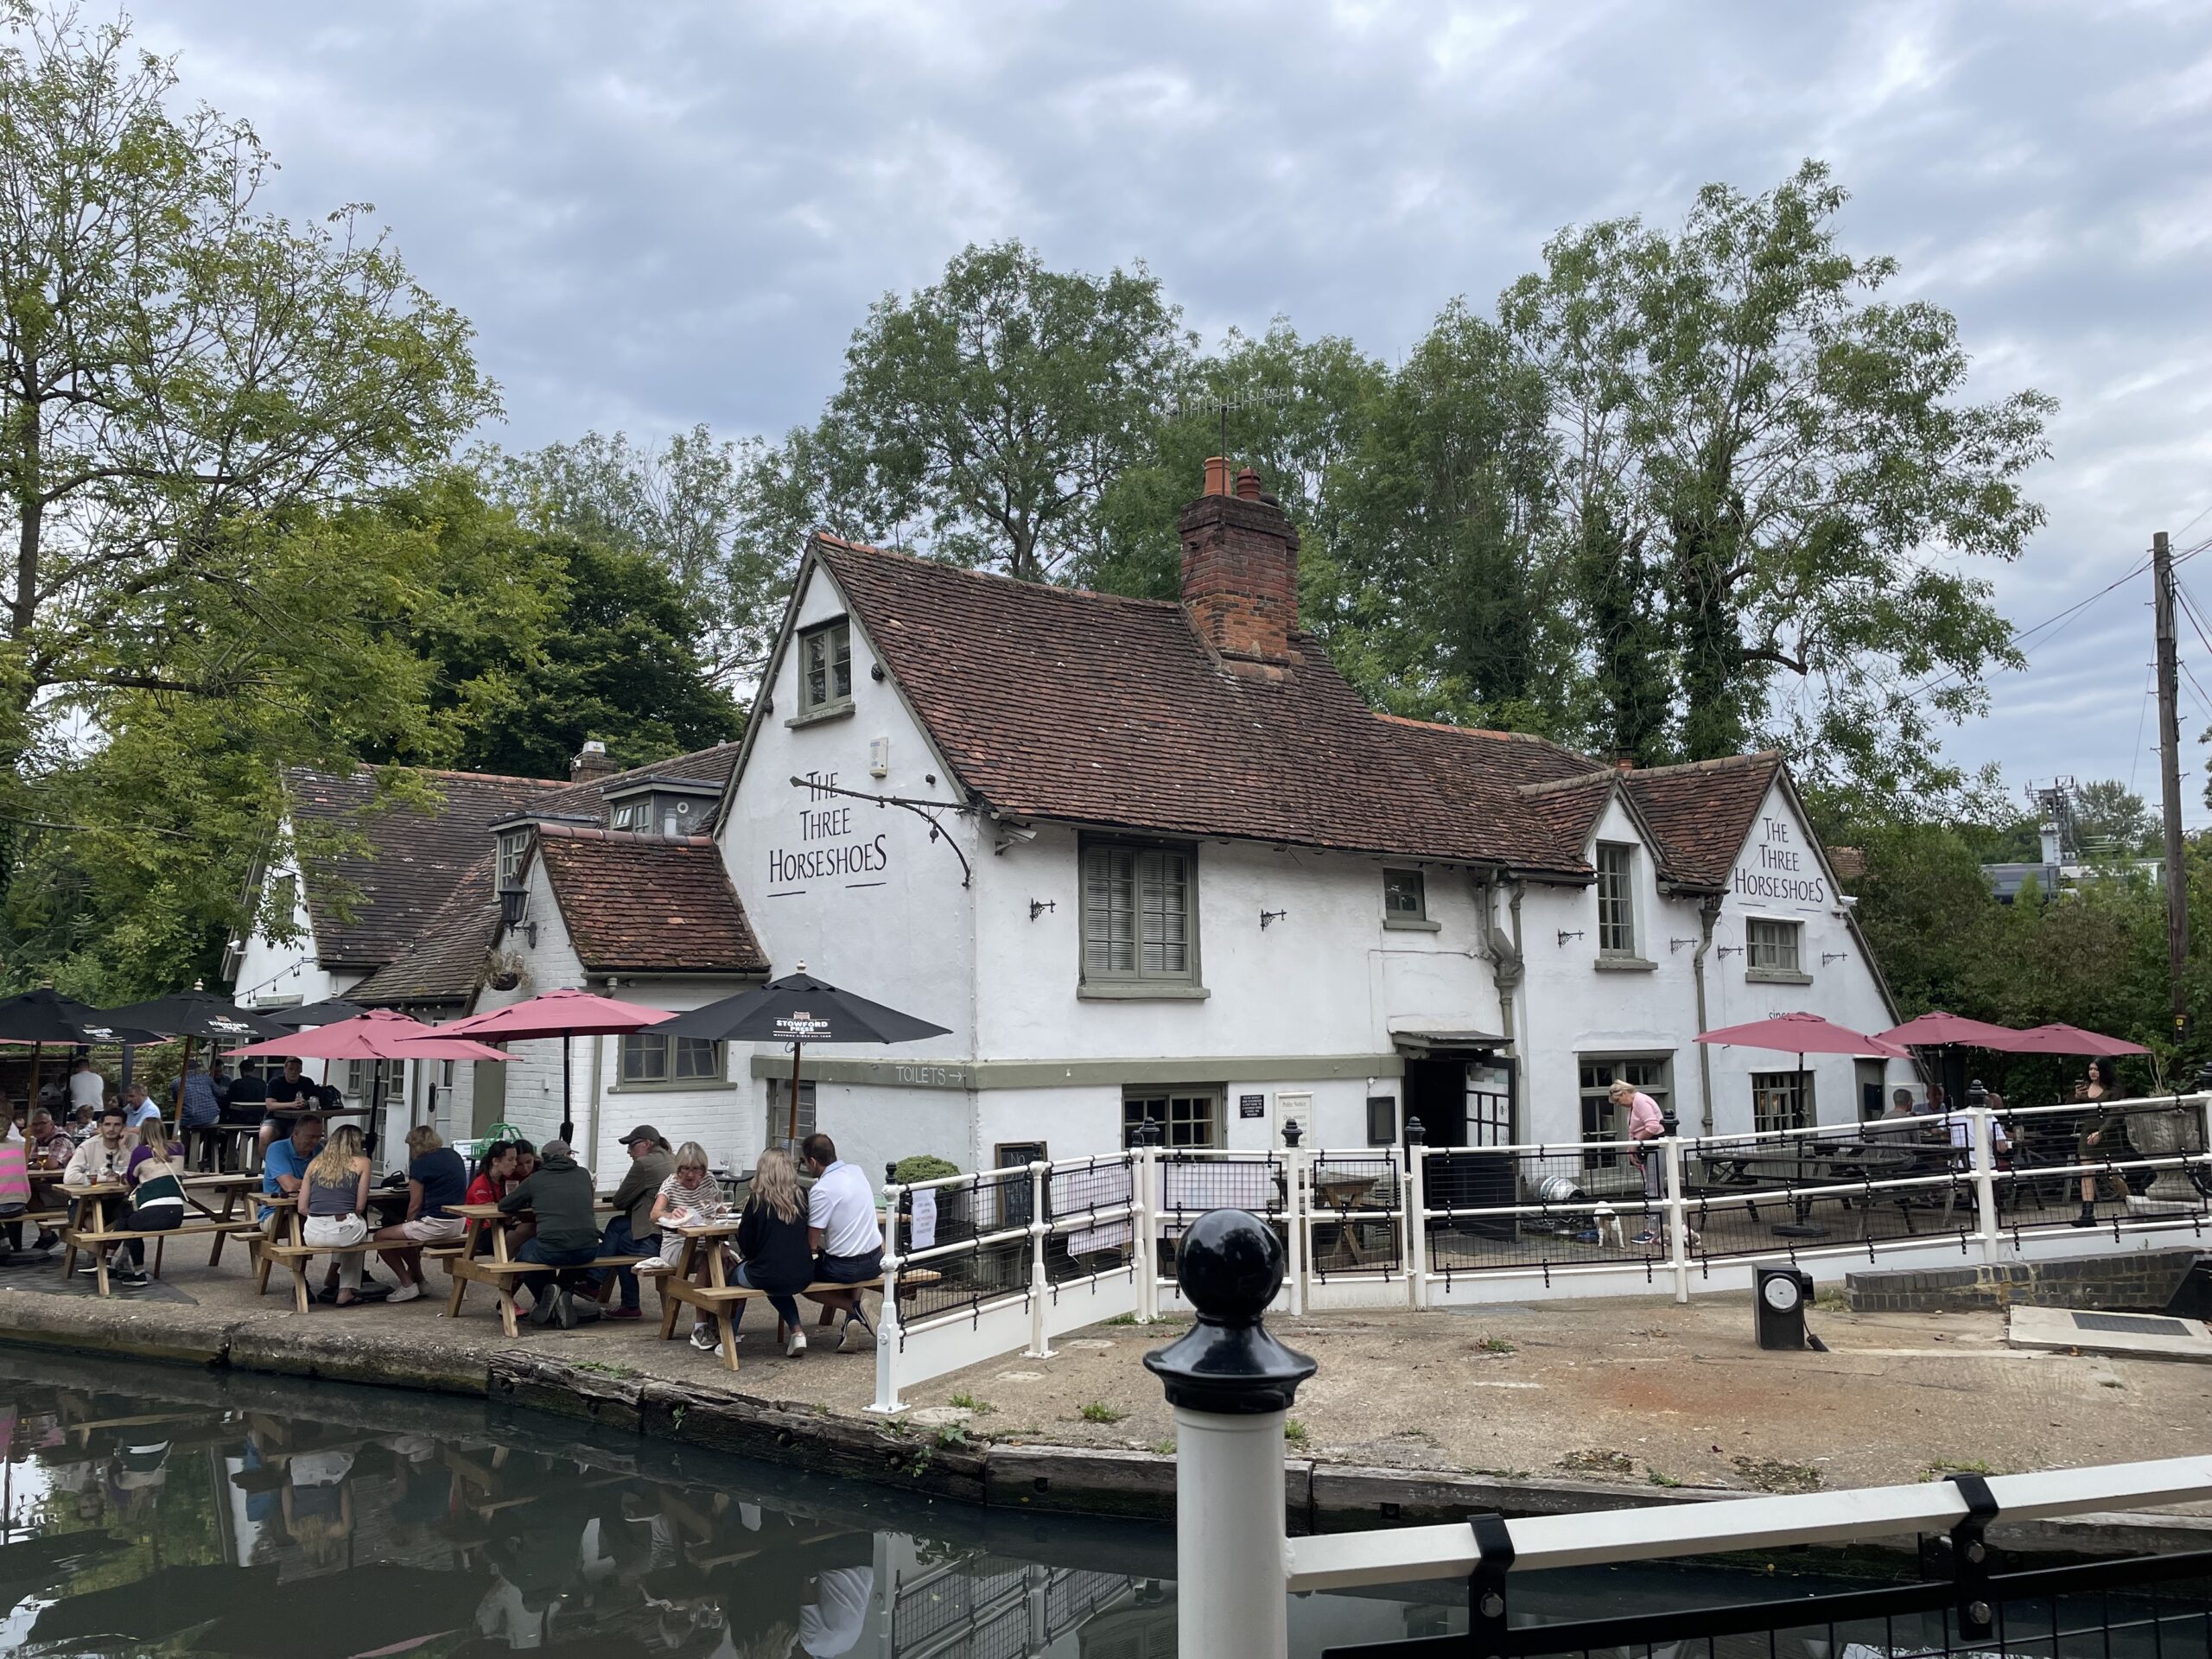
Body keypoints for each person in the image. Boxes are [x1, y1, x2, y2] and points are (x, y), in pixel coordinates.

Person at [498, 1137, 601, 1328]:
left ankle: (548, 1293)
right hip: (589, 1247)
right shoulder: (584, 1175)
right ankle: (564, 1293)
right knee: (574, 1250)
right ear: (568, 1156)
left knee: (523, 1255)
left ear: (544, 1159)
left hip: (552, 1248)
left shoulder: (535, 1180)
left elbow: (505, 1205)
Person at [648, 1143, 735, 1351]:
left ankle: (724, 1322)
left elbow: (718, 1210)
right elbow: (654, 1214)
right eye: (685, 1169)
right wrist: (670, 1214)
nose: (690, 1174)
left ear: (704, 1169)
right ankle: (701, 1325)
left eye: (696, 1169)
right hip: (677, 1245)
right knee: (708, 1261)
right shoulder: (671, 1185)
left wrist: (724, 1243)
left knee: (732, 1264)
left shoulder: (709, 1181)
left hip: (708, 1242)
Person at [800, 1133, 881, 1349]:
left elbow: (812, 1242)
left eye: (805, 1162)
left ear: (813, 1162)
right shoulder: (857, 1171)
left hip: (845, 1268)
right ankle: (851, 1324)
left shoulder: (821, 1190)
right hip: (875, 1261)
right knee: (851, 1254)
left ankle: (854, 1308)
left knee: (799, 1280)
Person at [372, 1124, 468, 1303]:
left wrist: (408, 1223)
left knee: (381, 1237)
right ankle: (420, 1280)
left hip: (436, 1223)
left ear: (415, 1146)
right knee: (407, 1238)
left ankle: (407, 1284)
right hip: (459, 1223)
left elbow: (415, 1204)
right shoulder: (453, 1155)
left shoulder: (421, 1164)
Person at [734, 1147, 813, 1358]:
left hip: (768, 1273)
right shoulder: (802, 1196)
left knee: (733, 1278)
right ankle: (797, 1332)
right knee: (777, 1280)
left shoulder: (756, 1201)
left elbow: (746, 1245)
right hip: (803, 1272)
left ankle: (728, 1336)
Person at [598, 1124, 673, 1321]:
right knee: (616, 1225)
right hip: (672, 1233)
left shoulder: (644, 1164)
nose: (629, 1151)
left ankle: (626, 1303)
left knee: (622, 1244)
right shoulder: (671, 1158)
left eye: (632, 1146)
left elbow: (620, 1200)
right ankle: (594, 1281)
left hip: (656, 1237)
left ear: (647, 1144)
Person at [300, 1124, 373, 1307]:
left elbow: (302, 1207)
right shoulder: (363, 1162)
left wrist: (321, 1215)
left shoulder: (315, 1163)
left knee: (347, 1233)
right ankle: (345, 1290)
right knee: (358, 1231)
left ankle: (333, 1276)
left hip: (312, 1232)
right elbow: (360, 1206)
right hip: (343, 1227)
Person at [111, 1122, 188, 1287]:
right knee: (128, 1216)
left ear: (143, 1133)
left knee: (127, 1221)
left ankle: (136, 1272)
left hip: (153, 1214)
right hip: (177, 1213)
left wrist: (123, 1148)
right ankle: (109, 1259)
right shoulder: (179, 1148)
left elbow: (131, 1180)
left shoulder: (140, 1152)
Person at [1611, 1081, 1667, 1247]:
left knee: (1653, 1189)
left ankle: (1653, 1230)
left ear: (1624, 1094)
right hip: (1647, 1148)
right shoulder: (1633, 1107)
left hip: (1655, 1147)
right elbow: (1632, 1130)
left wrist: (1635, 1145)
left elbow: (1653, 1126)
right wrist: (1631, 1149)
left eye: (1618, 1101)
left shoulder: (1641, 1102)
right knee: (1654, 1188)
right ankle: (1665, 1227)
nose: (1619, 1105)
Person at [2073, 1058, 2125, 1226]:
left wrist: (2101, 1132)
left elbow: (2115, 1112)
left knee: (2114, 1173)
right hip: (2087, 1131)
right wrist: (2077, 1098)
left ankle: (2129, 1201)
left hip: (2106, 1133)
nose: (2092, 1072)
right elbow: (2071, 1108)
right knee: (2086, 1172)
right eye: (2090, 1069)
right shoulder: (2086, 1087)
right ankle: (2087, 1214)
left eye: (2096, 1069)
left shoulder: (2114, 1088)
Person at [63, 1106, 135, 1188]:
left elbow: (132, 1173)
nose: (111, 1129)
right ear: (101, 1126)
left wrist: (122, 1147)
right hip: (90, 1196)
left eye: (117, 1125)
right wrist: (104, 1178)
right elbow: (69, 1177)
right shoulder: (87, 1147)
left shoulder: (133, 1141)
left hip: (122, 1195)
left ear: (124, 1127)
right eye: (107, 1124)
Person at [260, 1058, 313, 1153]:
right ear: (284, 1069)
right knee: (265, 1135)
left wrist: (306, 1102)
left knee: (300, 1139)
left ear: (301, 1070)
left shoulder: (307, 1082)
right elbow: (270, 1105)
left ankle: (294, 1164)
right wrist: (291, 1104)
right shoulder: (275, 1082)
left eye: (297, 1069)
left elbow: (315, 1100)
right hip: (275, 1119)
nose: (294, 1072)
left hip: (298, 1120)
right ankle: (271, 1164)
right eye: (291, 1069)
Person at [67, 1056, 106, 1120]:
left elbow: (64, 1091)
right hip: (98, 1110)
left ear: (76, 1069)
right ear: (88, 1067)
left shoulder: (72, 1078)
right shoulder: (98, 1077)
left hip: (78, 1111)